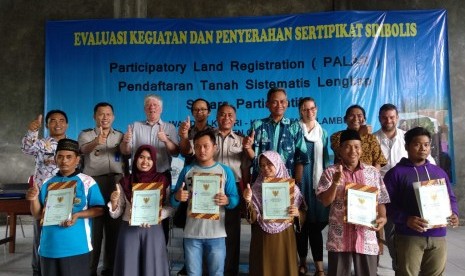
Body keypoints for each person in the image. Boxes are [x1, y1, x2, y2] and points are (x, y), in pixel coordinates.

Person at [383, 127, 459, 276]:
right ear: (407, 147)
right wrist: (406, 219)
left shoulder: (438, 172)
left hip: (438, 235)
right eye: (417, 144)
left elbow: (451, 198)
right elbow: (386, 204)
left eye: (426, 144)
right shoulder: (395, 174)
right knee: (407, 273)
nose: (423, 148)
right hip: (409, 235)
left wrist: (454, 213)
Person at [25, 138, 105, 276]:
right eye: (60, 157)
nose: (64, 161)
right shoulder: (47, 182)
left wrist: (78, 215)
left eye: (69, 157)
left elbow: (100, 209)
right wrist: (33, 199)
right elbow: (38, 215)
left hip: (77, 247)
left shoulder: (87, 181)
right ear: (55, 159)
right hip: (48, 247)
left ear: (77, 160)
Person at [317, 129, 389, 276]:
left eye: (357, 146)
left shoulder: (373, 172)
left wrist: (383, 217)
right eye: (348, 146)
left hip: (366, 236)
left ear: (361, 149)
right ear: (340, 150)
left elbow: (381, 199)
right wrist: (335, 183)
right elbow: (325, 201)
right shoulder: (330, 172)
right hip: (339, 238)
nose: (353, 151)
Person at [373, 103, 436, 270]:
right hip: (385, 196)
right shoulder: (372, 140)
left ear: (397, 118)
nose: (388, 120)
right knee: (392, 234)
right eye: (385, 117)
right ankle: (399, 266)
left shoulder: (407, 138)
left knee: (415, 232)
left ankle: (412, 266)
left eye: (392, 117)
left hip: (411, 195)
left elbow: (430, 165)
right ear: (379, 118)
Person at [170, 129, 239, 276]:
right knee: (193, 273)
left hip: (217, 233)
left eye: (206, 146)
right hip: (192, 233)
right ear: (193, 148)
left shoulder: (225, 171)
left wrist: (227, 200)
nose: (202, 150)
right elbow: (173, 201)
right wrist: (177, 197)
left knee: (216, 272)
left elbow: (235, 200)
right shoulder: (187, 170)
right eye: (197, 146)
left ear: (214, 147)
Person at [120, 94, 179, 243]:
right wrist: (126, 142)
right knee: (139, 211)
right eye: (149, 105)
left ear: (161, 109)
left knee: (161, 215)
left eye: (156, 105)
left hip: (161, 176)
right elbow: (126, 151)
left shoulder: (169, 127)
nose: (152, 108)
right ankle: (137, 244)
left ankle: (159, 248)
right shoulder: (135, 126)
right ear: (144, 109)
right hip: (140, 177)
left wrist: (166, 140)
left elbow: (176, 152)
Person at [78, 102, 126, 276]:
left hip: (116, 181)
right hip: (93, 182)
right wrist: (96, 141)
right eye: (101, 114)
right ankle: (90, 269)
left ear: (113, 117)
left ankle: (110, 268)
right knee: (94, 229)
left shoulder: (120, 136)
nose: (105, 117)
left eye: (108, 114)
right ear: (94, 116)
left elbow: (126, 153)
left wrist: (126, 144)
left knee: (114, 227)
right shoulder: (86, 134)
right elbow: (82, 150)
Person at [109, 145, 171, 276]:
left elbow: (170, 207)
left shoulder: (162, 180)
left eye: (149, 158)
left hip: (153, 229)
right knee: (129, 268)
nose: (145, 161)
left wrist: (157, 214)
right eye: (141, 157)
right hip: (129, 229)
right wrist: (114, 201)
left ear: (154, 161)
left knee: (153, 268)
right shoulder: (125, 181)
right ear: (135, 159)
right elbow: (116, 213)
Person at [21, 109, 69, 276]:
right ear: (48, 125)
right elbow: (26, 148)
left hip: (66, 196)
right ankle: (38, 270)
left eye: (61, 120)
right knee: (40, 235)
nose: (58, 124)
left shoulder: (73, 144)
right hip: (43, 196)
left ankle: (60, 268)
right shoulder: (42, 143)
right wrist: (32, 130)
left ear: (67, 124)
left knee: (64, 232)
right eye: (53, 121)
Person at [242, 150, 305, 276]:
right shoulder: (255, 189)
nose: (266, 168)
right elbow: (252, 218)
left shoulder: (292, 189)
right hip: (262, 239)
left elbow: (302, 213)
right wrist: (248, 200)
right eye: (262, 165)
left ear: (278, 164)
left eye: (270, 164)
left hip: (285, 238)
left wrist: (297, 213)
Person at [214, 103, 251, 276]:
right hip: (210, 187)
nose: (226, 118)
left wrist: (245, 192)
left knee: (232, 232)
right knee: (211, 230)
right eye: (222, 114)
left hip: (233, 188)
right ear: (216, 117)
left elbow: (245, 169)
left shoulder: (242, 140)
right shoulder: (208, 138)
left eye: (230, 115)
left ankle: (230, 270)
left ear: (235, 119)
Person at [243, 87, 308, 183]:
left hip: (286, 181)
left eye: (282, 102)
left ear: (287, 103)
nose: (279, 105)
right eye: (274, 102)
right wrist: (248, 147)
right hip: (262, 180)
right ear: (267, 104)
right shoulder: (257, 126)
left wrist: (296, 181)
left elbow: (301, 157)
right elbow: (252, 158)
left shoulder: (294, 126)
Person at [296, 98, 330, 276]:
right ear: (300, 111)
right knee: (301, 225)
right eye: (305, 109)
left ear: (316, 109)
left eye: (312, 108)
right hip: (299, 181)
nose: (309, 112)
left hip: (317, 185)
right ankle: (302, 263)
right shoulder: (294, 130)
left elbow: (324, 160)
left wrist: (326, 183)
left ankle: (319, 267)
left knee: (316, 226)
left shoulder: (323, 133)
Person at [330, 104, 387, 170]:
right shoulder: (336, 136)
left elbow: (378, 162)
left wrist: (371, 177)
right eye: (352, 115)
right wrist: (360, 134)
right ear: (345, 119)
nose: (356, 119)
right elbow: (339, 155)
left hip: (368, 177)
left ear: (364, 119)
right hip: (344, 176)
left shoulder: (371, 138)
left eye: (359, 116)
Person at [178, 98, 214, 166]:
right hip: (190, 170)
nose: (199, 112)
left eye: (203, 109)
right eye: (196, 109)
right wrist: (184, 136)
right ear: (192, 113)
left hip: (210, 171)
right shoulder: (187, 131)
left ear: (209, 112)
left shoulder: (214, 132)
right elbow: (183, 153)